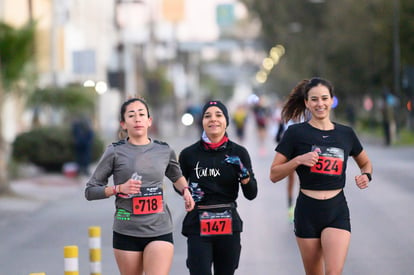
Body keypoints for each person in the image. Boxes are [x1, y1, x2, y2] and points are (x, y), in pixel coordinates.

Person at [269, 77, 373, 275]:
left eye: (324, 98)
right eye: (314, 99)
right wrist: (298, 160)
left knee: (334, 272)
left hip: (336, 210)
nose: (320, 104)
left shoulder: (346, 134)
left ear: (331, 100)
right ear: (307, 103)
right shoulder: (295, 133)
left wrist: (366, 175)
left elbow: (365, 162)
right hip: (307, 211)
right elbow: (274, 174)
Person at [85, 97, 195, 275]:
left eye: (142, 114)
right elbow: (90, 191)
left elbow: (177, 176)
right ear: (123, 123)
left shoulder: (164, 150)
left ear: (149, 121)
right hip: (127, 230)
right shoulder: (114, 151)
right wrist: (118, 189)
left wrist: (186, 191)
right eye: (131, 115)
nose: (137, 119)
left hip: (160, 228)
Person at [178, 100, 258, 275]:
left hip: (228, 223)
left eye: (218, 115)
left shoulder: (239, 152)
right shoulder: (188, 154)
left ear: (226, 121)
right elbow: (179, 183)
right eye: (208, 116)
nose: (213, 119)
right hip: (198, 222)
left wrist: (243, 174)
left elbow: (251, 193)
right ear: (202, 122)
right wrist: (187, 191)